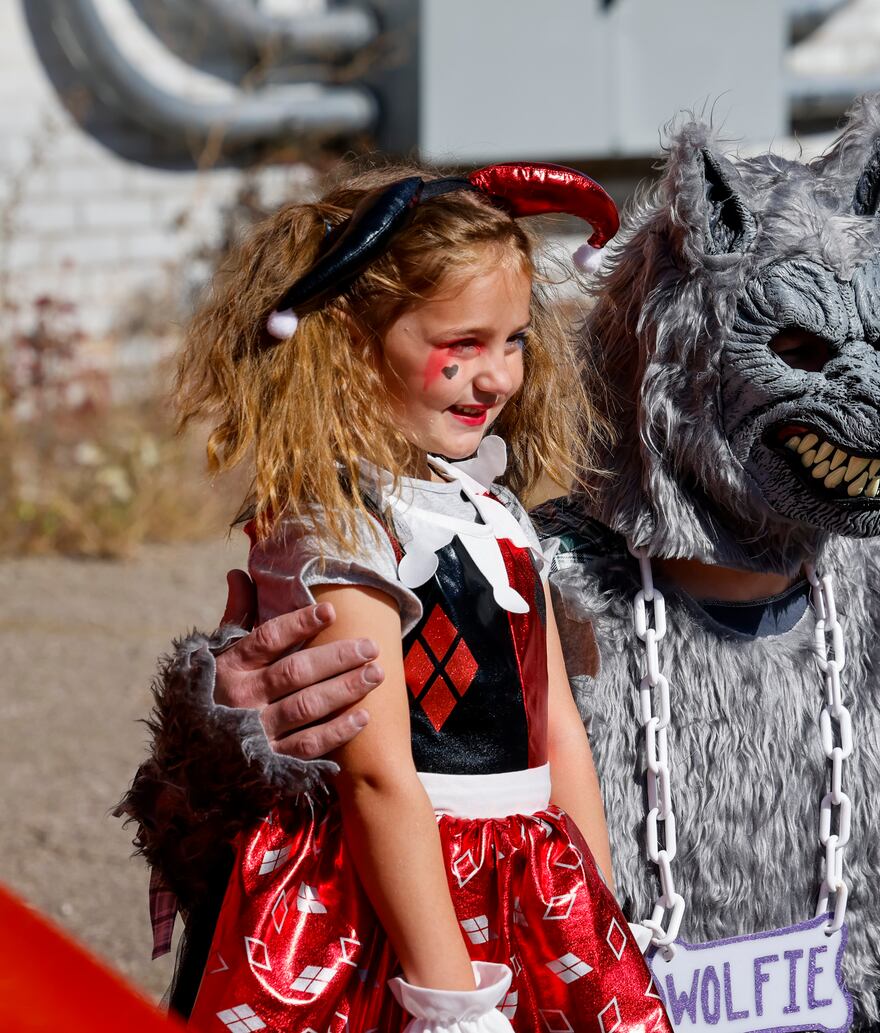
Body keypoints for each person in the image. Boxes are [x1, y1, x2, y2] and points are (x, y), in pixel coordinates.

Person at [127, 96, 880, 1033]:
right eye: (813, 345)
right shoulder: (539, 569)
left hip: (853, 1007)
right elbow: (311, 821)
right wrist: (228, 727)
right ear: (680, 349)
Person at [158, 160, 671, 1033]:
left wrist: (598, 907)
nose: (498, 376)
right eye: (461, 344)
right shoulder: (344, 525)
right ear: (354, 349)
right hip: (392, 899)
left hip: (524, 875)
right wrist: (450, 999)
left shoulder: (491, 507)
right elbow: (379, 774)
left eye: (512, 340)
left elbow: (559, 731)